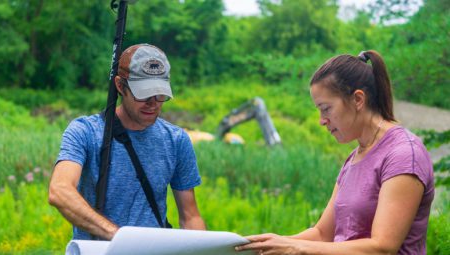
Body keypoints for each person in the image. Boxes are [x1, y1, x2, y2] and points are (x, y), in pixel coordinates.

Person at [235, 50, 434, 254]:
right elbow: (322, 233)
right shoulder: (354, 158)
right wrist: (271, 243)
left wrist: (295, 248)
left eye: (326, 108)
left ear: (358, 99)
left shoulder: (403, 154)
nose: (321, 120)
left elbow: (382, 248)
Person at [48, 43, 206, 240]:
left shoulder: (176, 140)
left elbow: (190, 217)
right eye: (143, 93)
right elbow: (60, 191)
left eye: (160, 94)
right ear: (120, 86)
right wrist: (119, 237)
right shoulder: (85, 132)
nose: (152, 103)